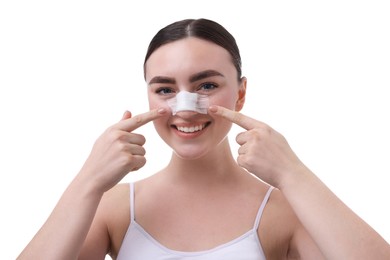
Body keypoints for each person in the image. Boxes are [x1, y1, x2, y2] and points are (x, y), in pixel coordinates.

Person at [18, 18, 390, 260]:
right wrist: (87, 181)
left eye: (207, 85)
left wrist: (293, 173)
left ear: (240, 94)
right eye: (165, 89)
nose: (185, 108)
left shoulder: (283, 211)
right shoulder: (115, 208)